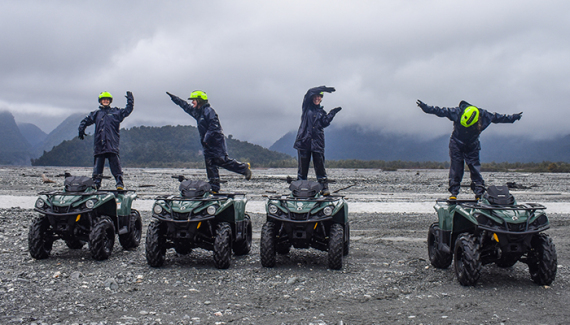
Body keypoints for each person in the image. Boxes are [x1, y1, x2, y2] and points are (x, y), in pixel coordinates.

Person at [416, 99, 522, 200]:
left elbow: (499, 118)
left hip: (472, 145)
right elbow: (440, 111)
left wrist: (513, 117)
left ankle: (479, 192)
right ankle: (454, 192)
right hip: (456, 143)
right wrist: (426, 108)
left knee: (474, 168)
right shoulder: (457, 112)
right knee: (456, 167)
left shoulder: (484, 115)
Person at [167, 90, 252, 193]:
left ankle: (244, 168)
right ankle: (214, 188)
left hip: (216, 142)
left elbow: (214, 126)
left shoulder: (209, 111)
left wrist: (206, 139)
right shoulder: (197, 113)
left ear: (199, 100)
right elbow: (185, 106)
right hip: (207, 144)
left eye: (193, 100)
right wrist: (174, 98)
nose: (192, 102)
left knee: (221, 160)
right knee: (210, 164)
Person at [78, 91, 134, 190]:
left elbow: (128, 110)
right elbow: (86, 121)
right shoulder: (96, 114)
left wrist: (130, 100)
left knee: (115, 166)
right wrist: (81, 130)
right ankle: (96, 184)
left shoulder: (116, 112)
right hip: (99, 144)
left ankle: (119, 183)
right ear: (100, 101)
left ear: (110, 101)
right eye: (103, 99)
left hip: (112, 144)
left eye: (107, 100)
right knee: (98, 167)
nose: (105, 101)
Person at [293, 86, 342, 195]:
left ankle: (324, 188)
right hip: (304, 141)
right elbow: (309, 91)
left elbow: (324, 123)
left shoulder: (322, 112)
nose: (317, 98)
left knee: (320, 166)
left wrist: (332, 113)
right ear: (312, 98)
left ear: (321, 99)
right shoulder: (306, 107)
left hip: (317, 143)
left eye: (319, 97)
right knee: (303, 168)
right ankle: (300, 189)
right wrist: (324, 88)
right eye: (315, 96)